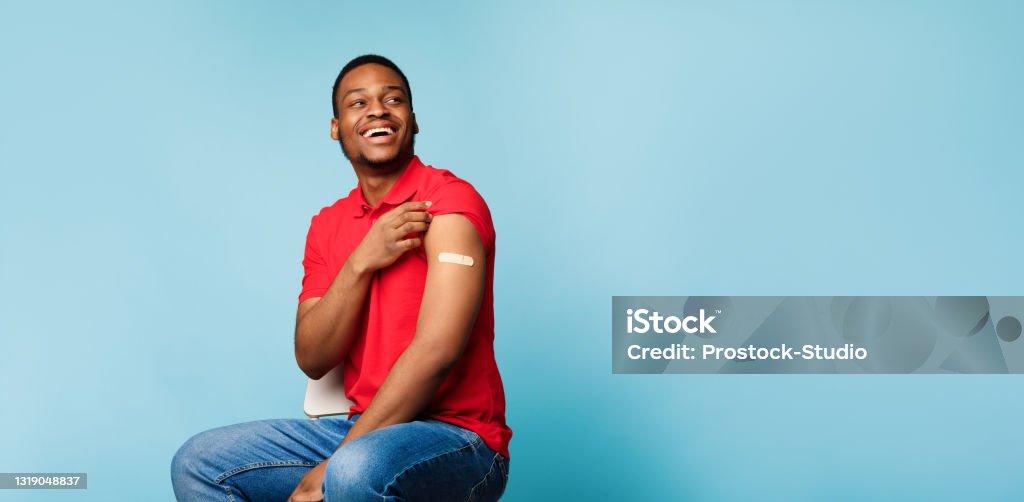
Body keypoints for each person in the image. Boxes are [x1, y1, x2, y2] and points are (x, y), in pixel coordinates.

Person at [171, 54, 511, 501]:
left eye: (394, 99)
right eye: (358, 103)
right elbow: (314, 357)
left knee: (353, 469)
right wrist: (361, 261)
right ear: (336, 128)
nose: (377, 110)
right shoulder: (328, 224)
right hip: (361, 429)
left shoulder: (448, 204)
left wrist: (333, 465)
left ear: (413, 121)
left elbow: (438, 350)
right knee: (200, 463)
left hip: (459, 440)